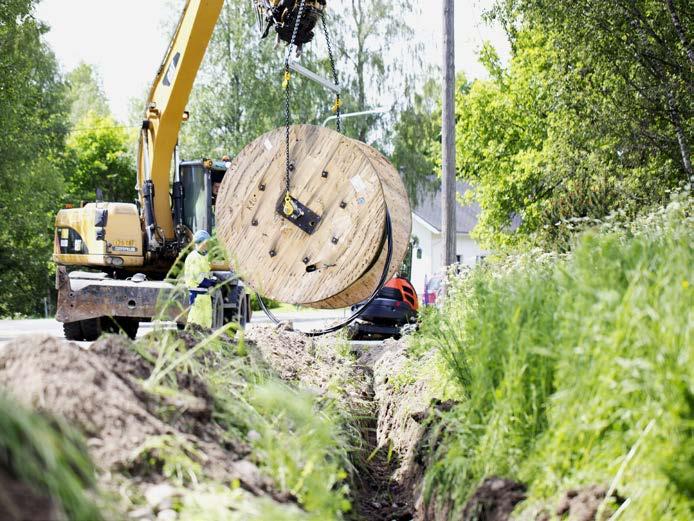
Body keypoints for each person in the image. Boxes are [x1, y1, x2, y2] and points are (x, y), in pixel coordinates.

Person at [184, 230, 215, 328]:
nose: (207, 245)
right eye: (206, 243)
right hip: (197, 295)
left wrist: (211, 280)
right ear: (200, 242)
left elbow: (207, 273)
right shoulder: (194, 257)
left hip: (205, 295)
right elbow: (199, 278)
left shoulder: (204, 257)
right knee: (195, 323)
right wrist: (211, 282)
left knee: (206, 323)